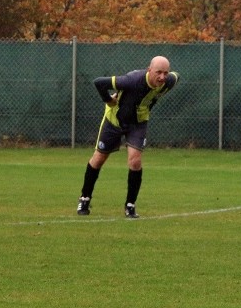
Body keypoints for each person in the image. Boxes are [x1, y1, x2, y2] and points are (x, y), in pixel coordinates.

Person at [77, 56, 179, 218]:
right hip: (114, 120)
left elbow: (176, 76)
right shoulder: (132, 80)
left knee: (135, 160)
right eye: (158, 72)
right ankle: (84, 198)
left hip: (137, 123)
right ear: (149, 70)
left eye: (165, 73)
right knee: (98, 159)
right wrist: (109, 100)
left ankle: (130, 206)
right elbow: (99, 82)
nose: (162, 77)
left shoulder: (169, 81)